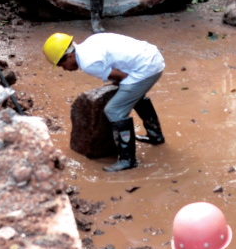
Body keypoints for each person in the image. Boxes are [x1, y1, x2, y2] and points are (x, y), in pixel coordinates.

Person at [43, 27, 167, 170]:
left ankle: (128, 160)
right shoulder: (90, 42)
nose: (64, 69)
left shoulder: (88, 63)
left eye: (61, 65)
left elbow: (121, 76)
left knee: (114, 110)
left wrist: (127, 92)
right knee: (132, 95)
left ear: (69, 56)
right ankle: (155, 135)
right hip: (151, 55)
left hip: (147, 68)